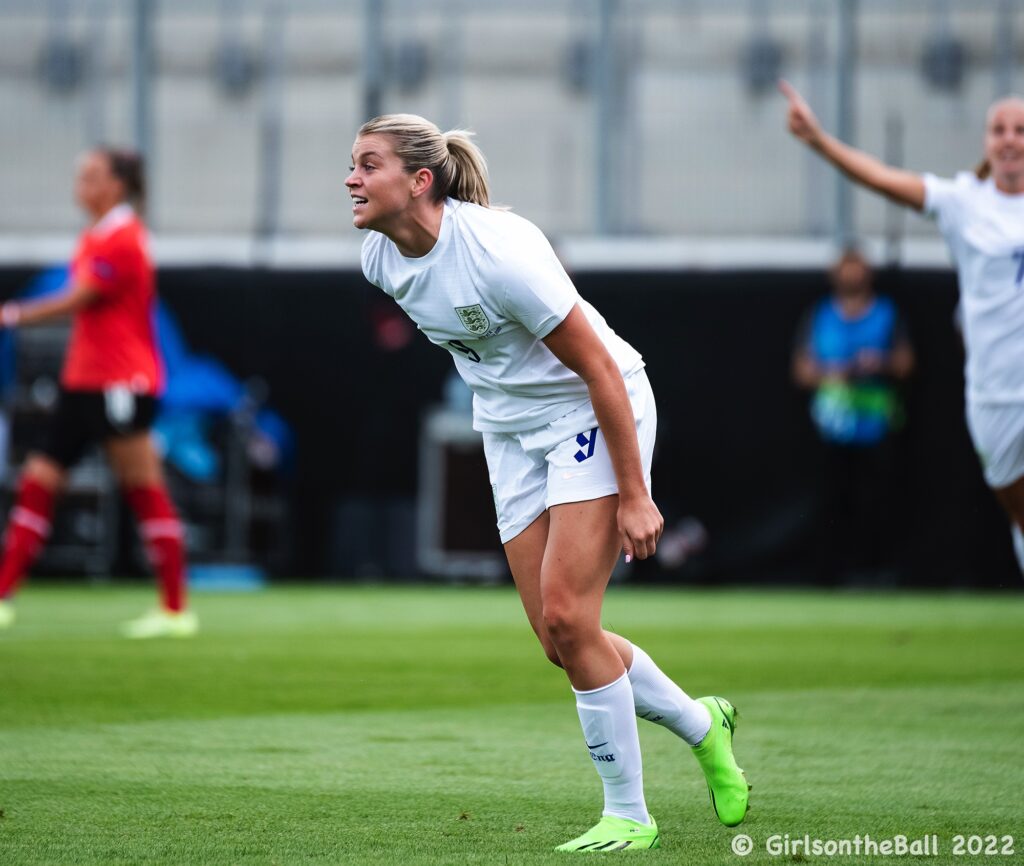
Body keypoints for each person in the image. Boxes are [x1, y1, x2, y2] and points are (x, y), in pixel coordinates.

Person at [347, 114, 748, 852]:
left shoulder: (500, 250)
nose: (351, 179)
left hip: (591, 408)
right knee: (558, 638)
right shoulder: (379, 258)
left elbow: (598, 369)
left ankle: (629, 813)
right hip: (509, 429)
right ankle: (703, 724)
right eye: (353, 165)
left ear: (420, 180)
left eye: (368, 165)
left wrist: (635, 493)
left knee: (570, 615)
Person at [780, 82, 1024, 577]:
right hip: (995, 393)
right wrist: (819, 141)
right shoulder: (964, 202)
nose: (1009, 139)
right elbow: (883, 179)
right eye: (999, 129)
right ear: (986, 141)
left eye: (1020, 130)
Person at [0, 147, 197, 638]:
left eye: (90, 176)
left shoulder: (124, 238)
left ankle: (176, 611)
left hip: (120, 385)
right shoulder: (97, 234)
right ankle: (3, 597)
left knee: (144, 489)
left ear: (116, 185)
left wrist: (14, 314)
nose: (80, 185)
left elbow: (79, 297)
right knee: (38, 480)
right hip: (82, 382)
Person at [793, 248, 915, 581]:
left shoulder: (886, 314)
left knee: (878, 502)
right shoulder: (820, 315)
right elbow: (802, 371)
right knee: (833, 503)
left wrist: (881, 363)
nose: (851, 276)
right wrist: (833, 371)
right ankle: (832, 574)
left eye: (857, 268)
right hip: (831, 428)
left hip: (877, 426)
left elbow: (906, 364)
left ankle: (879, 571)